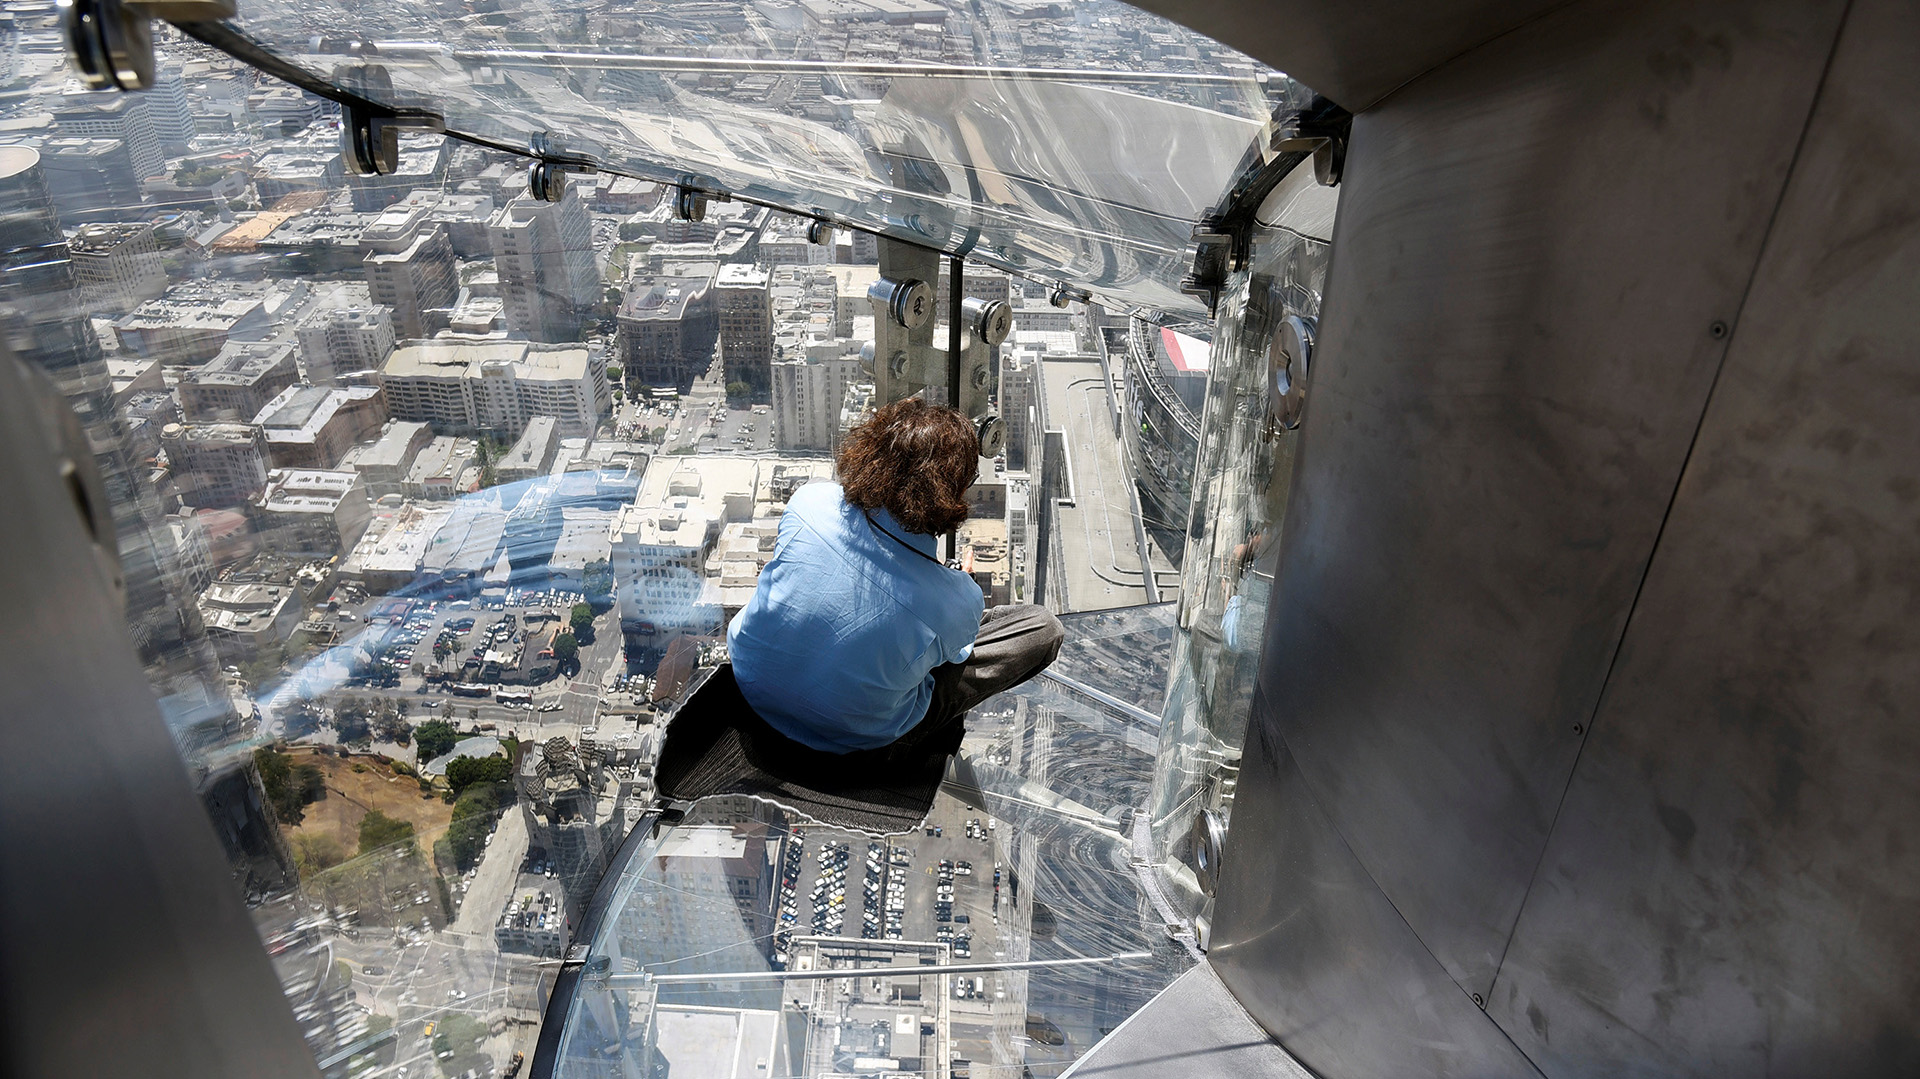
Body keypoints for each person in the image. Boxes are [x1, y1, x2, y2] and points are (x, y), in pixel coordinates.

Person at [727, 398, 1064, 757]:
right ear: (952, 492)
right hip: (855, 739)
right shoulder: (955, 599)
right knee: (1041, 629)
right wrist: (951, 589)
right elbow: (951, 660)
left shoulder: (808, 502)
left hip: (751, 686)